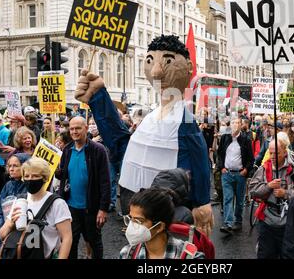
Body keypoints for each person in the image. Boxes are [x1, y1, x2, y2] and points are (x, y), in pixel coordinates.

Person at [74, 35, 213, 237]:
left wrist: (201, 201)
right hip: (138, 211)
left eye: (167, 61)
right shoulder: (151, 117)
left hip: (169, 212)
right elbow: (122, 145)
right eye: (150, 61)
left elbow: (199, 159)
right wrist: (98, 98)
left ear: (188, 67)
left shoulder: (185, 121)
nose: (157, 71)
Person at [57, 116, 110, 259]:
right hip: (70, 207)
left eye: (78, 128)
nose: (74, 131)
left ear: (86, 128)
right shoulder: (67, 149)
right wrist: (57, 171)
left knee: (94, 242)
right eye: (72, 129)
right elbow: (63, 175)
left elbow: (105, 181)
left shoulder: (98, 150)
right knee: (70, 243)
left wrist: (103, 208)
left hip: (91, 207)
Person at [0, 158, 72, 259]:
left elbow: (67, 237)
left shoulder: (57, 203)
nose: (30, 179)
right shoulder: (20, 200)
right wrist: (11, 223)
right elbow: (1, 235)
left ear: (45, 178)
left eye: (35, 176)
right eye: (27, 176)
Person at [248, 136, 294, 259]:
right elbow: (252, 191)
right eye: (271, 153)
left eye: (277, 153)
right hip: (267, 221)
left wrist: (285, 193)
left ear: (285, 152)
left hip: (289, 222)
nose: (273, 156)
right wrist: (268, 186)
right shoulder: (264, 168)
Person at [119, 187, 204, 259]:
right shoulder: (127, 254)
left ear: (159, 226)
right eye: (131, 219)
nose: (131, 225)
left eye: (138, 221)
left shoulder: (190, 256)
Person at [217, 118, 254, 233]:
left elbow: (250, 158)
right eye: (233, 122)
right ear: (230, 125)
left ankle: (238, 221)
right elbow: (219, 155)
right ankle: (228, 223)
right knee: (227, 198)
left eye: (238, 123)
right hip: (227, 173)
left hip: (240, 174)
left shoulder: (245, 140)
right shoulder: (224, 138)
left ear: (241, 125)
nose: (235, 125)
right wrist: (221, 167)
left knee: (239, 199)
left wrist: (246, 170)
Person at [0, 153, 30, 227]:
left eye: (15, 166)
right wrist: (3, 226)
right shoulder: (8, 185)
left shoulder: (29, 186)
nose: (11, 169)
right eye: (10, 166)